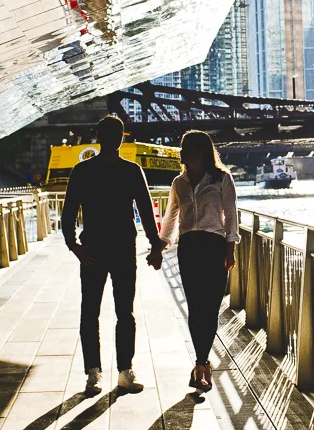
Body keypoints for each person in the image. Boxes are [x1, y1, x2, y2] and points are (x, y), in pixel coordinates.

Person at [62, 115, 164, 396]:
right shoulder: (130, 170)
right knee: (123, 313)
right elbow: (145, 212)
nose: (113, 138)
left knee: (92, 312)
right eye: (111, 133)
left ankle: (95, 374)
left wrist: (75, 246)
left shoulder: (83, 170)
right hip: (118, 248)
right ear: (104, 136)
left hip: (96, 248)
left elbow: (68, 213)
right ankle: (123, 371)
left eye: (116, 133)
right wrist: (154, 245)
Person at [148, 130, 238, 393]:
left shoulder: (222, 179)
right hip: (189, 248)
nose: (181, 151)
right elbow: (171, 217)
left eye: (186, 147)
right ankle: (202, 364)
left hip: (214, 247)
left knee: (210, 308)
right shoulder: (179, 183)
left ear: (200, 151)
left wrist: (230, 249)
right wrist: (160, 247)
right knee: (196, 308)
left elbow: (231, 215)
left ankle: (201, 364)